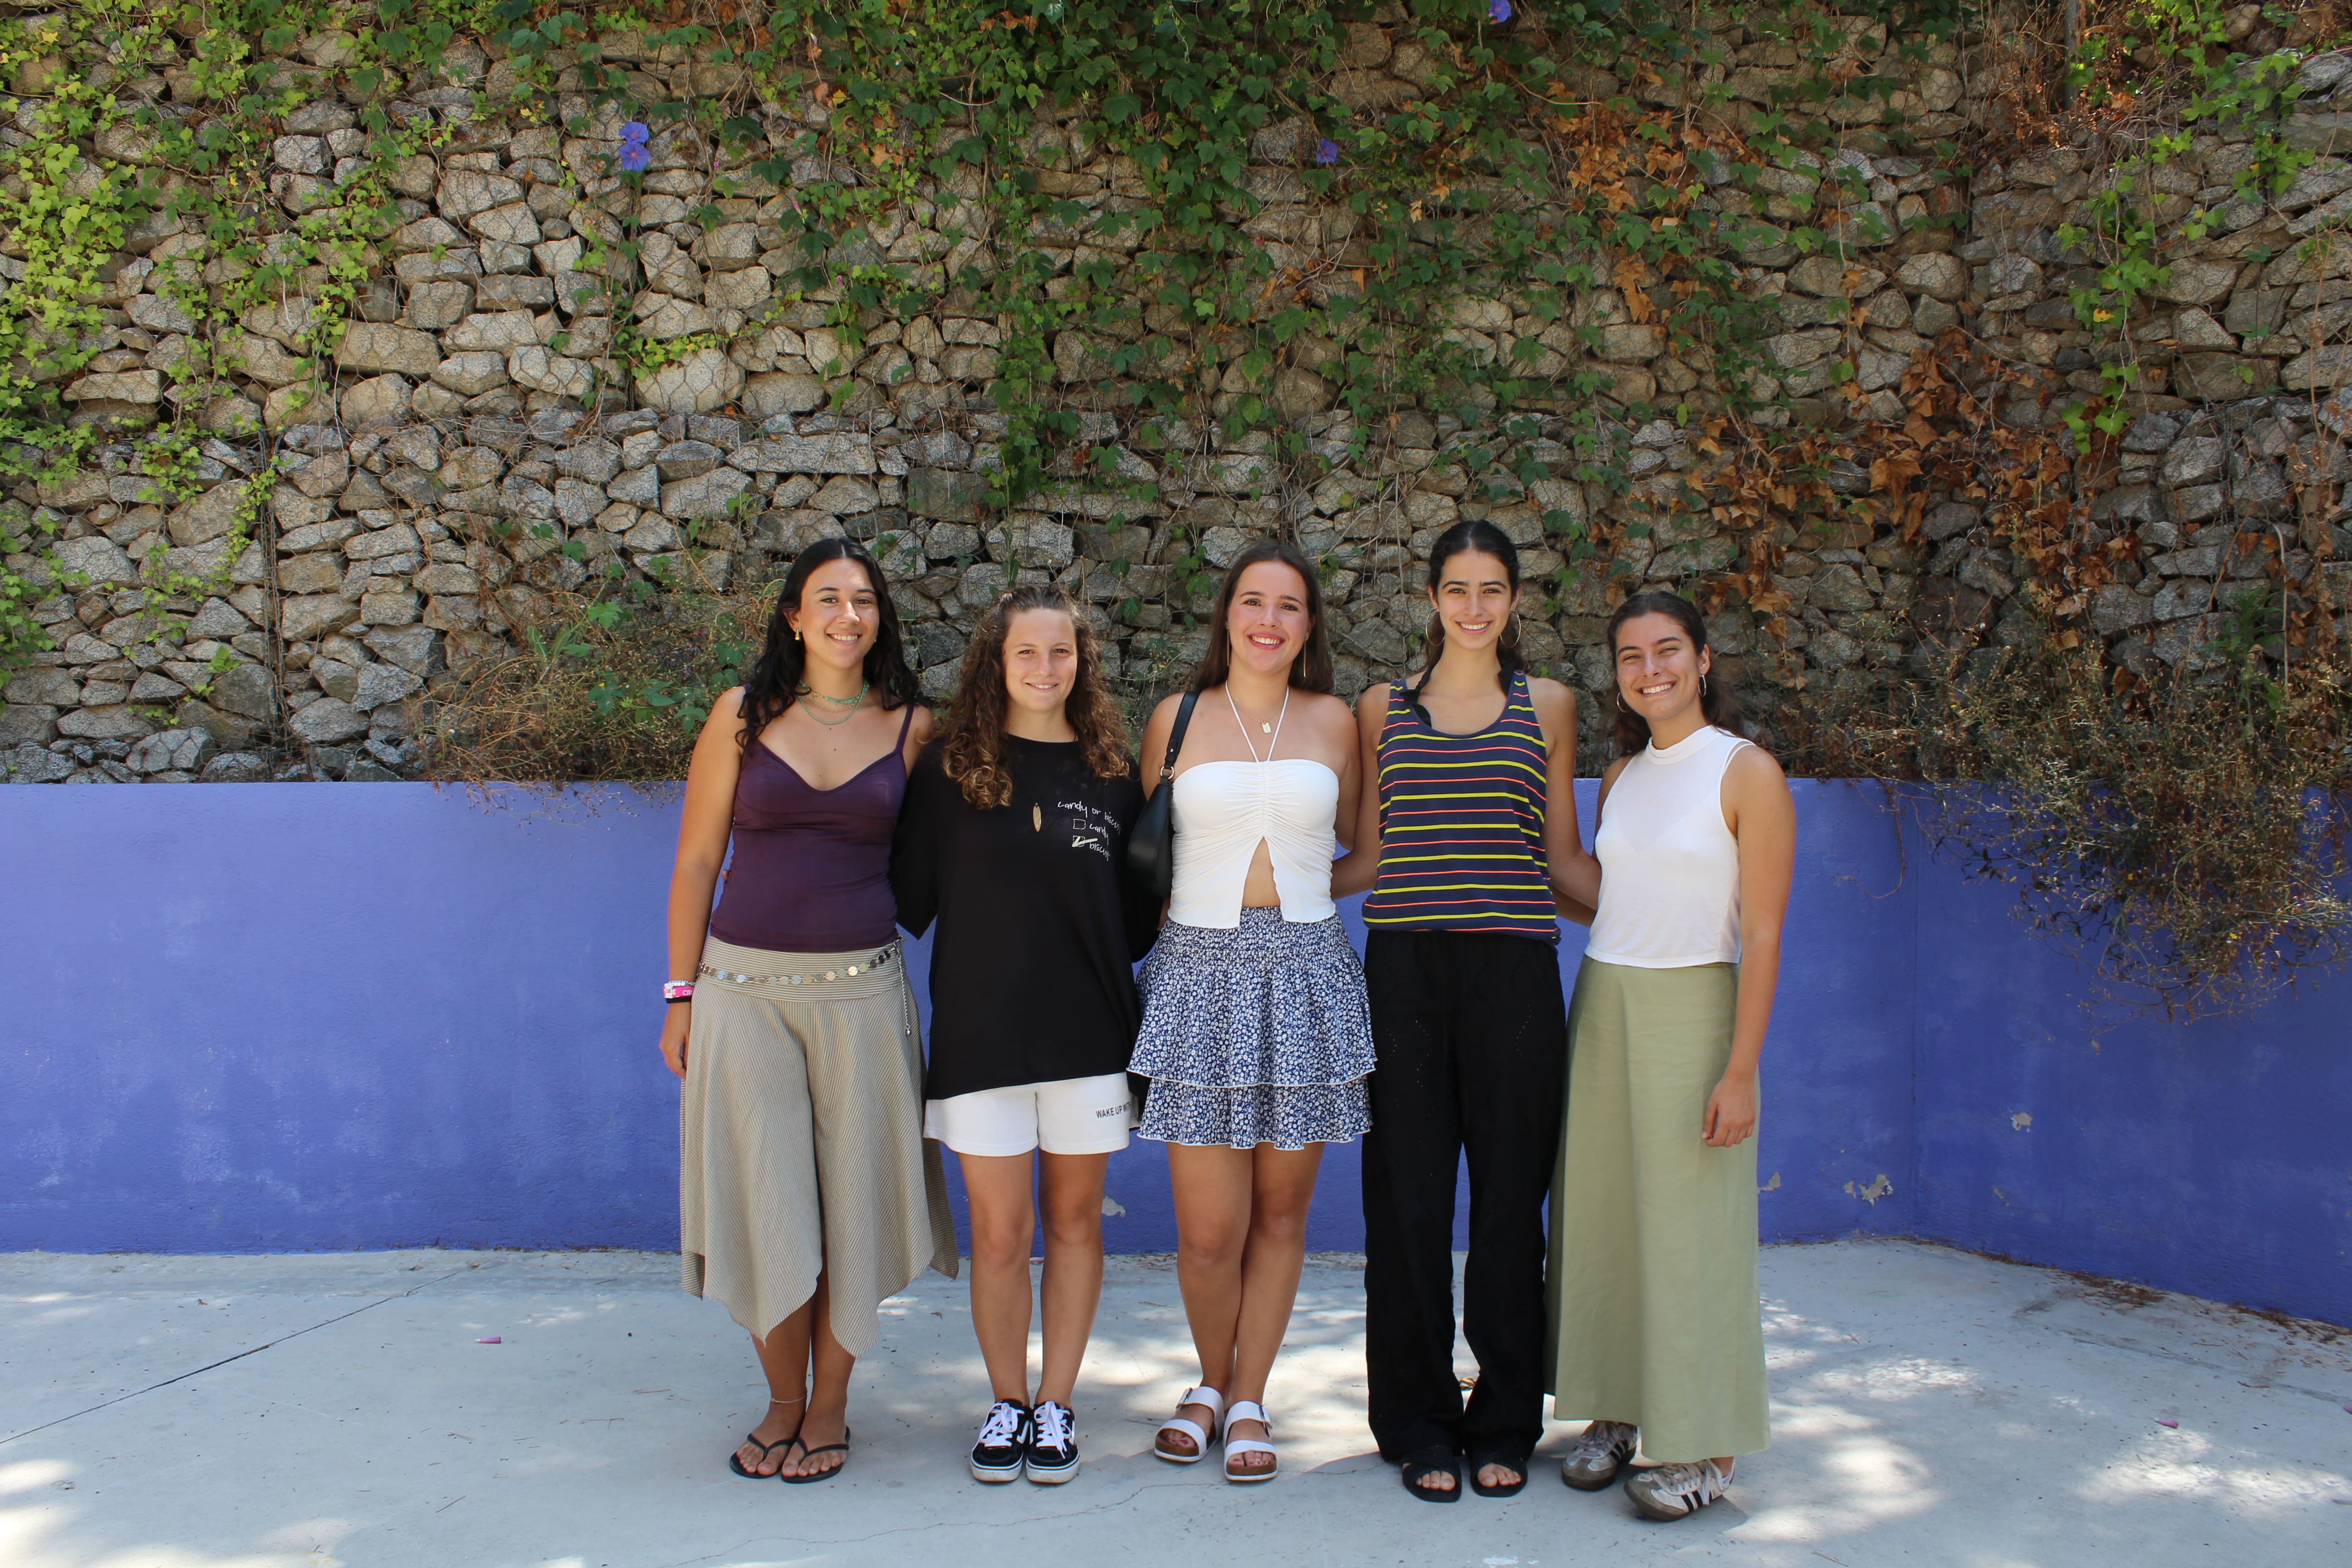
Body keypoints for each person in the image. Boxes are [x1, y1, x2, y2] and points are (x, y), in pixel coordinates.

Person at [657, 537, 957, 1484]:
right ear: (794, 616)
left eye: (864, 600)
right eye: (826, 598)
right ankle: (780, 1402)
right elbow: (698, 861)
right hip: (740, 998)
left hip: (864, 999)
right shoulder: (741, 716)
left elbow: (964, 853)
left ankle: (828, 1409)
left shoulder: (915, 727)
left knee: (854, 1212)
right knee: (766, 1210)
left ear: (882, 620)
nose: (847, 616)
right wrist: (680, 996)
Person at [1331, 519, 1582, 1502]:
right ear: (1431, 599)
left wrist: (1685, 909)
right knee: (1408, 1205)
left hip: (1517, 974)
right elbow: (1367, 856)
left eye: (1493, 590)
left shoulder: (1550, 706)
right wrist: (1251, 875)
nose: (1474, 607)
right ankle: (1418, 1420)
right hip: (1403, 976)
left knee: (1513, 1206)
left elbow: (1561, 862)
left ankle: (1506, 1420)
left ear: (1514, 601)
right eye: (1457, 590)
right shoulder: (1381, 708)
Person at [890, 586, 1157, 1486]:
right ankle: (1007, 1402)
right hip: (981, 1040)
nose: (1046, 671)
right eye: (1027, 655)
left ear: (1083, 665)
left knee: (1074, 1224)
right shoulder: (945, 769)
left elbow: (1140, 912)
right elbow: (904, 900)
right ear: (995, 665)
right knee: (1000, 1237)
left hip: (1089, 1039)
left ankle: (1059, 1404)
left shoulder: (1113, 769)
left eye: (1062, 654)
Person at [1543, 589, 1795, 1520]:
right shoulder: (1619, 778)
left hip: (1696, 1014)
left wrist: (1740, 1071)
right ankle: (1616, 1412)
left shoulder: (1746, 773)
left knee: (1693, 1236)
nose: (1650, 670)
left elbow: (1763, 935)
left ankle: (1706, 1447)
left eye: (1667, 651)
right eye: (1631, 657)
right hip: (1604, 1006)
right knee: (1603, 1221)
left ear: (1703, 659)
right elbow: (1602, 894)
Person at [1130, 537, 1372, 1484]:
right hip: (1196, 974)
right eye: (1253, 602)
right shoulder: (1176, 719)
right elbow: (1149, 857)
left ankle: (1245, 1399)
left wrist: (1303, 903)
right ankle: (1208, 1374)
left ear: (1308, 626)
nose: (1269, 621)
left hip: (1308, 973)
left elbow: (1370, 850)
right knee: (1207, 1230)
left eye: (1289, 607)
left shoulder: (1337, 721)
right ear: (1227, 614)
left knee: (1280, 1215)